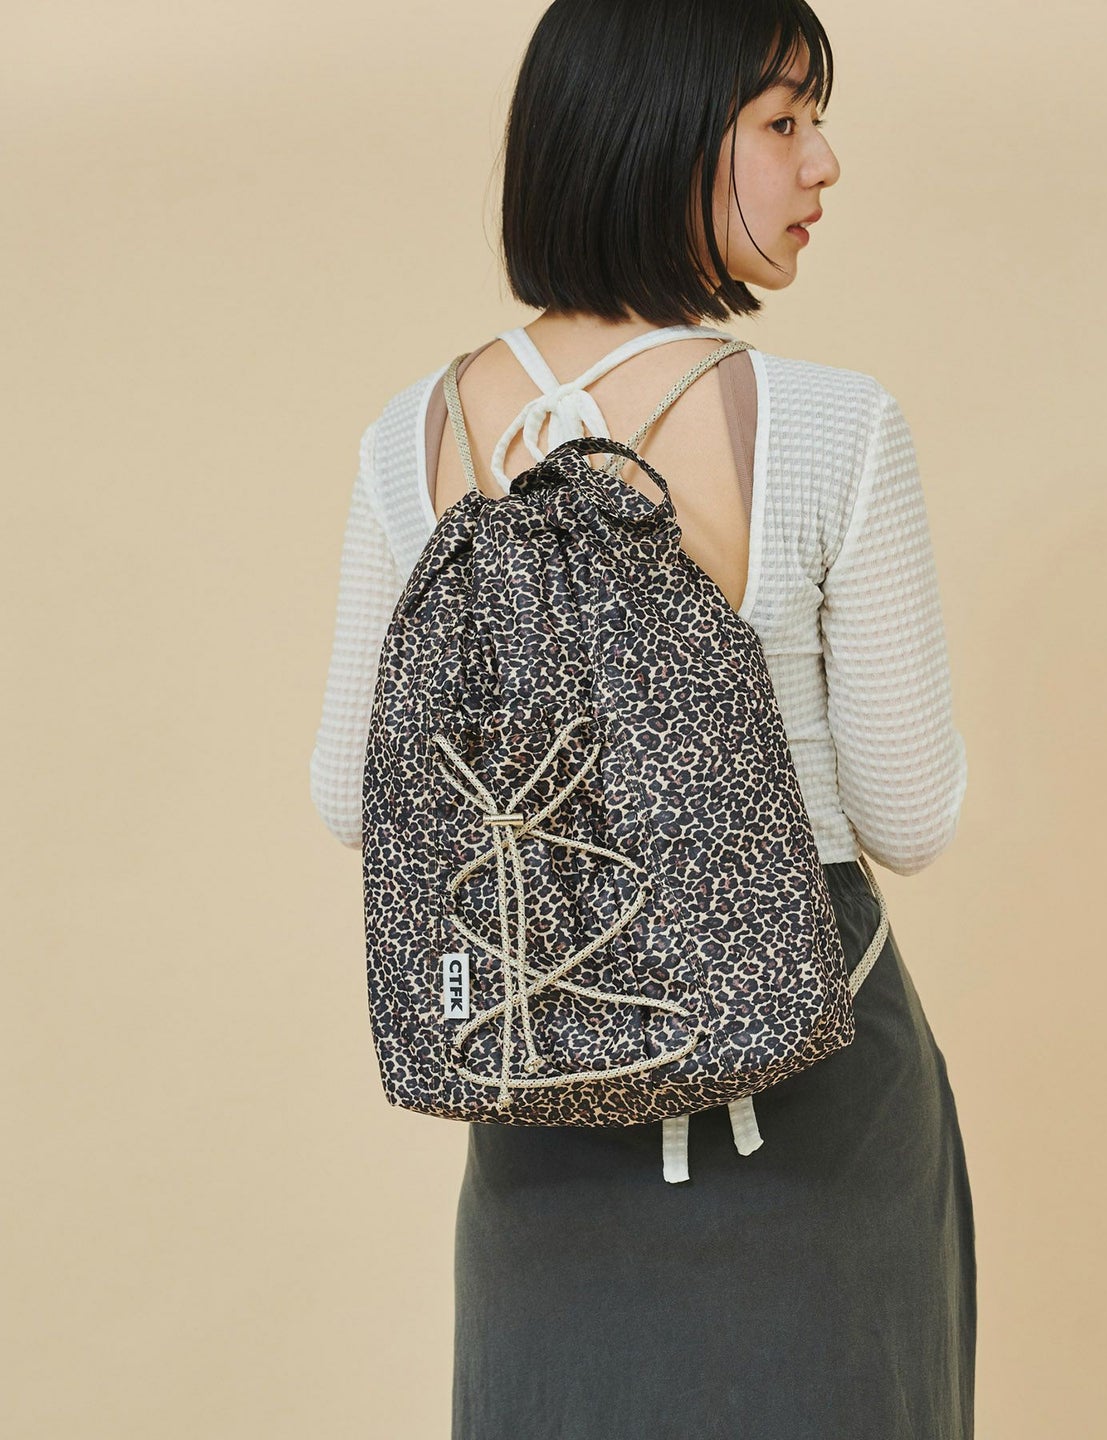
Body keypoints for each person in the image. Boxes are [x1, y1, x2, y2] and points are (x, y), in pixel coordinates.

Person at [309, 0, 976, 1434]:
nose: (824, 164)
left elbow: (349, 798)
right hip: (810, 1087)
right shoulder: (829, 426)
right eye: (784, 122)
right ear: (661, 138)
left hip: (538, 1082)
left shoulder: (408, 438)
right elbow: (910, 814)